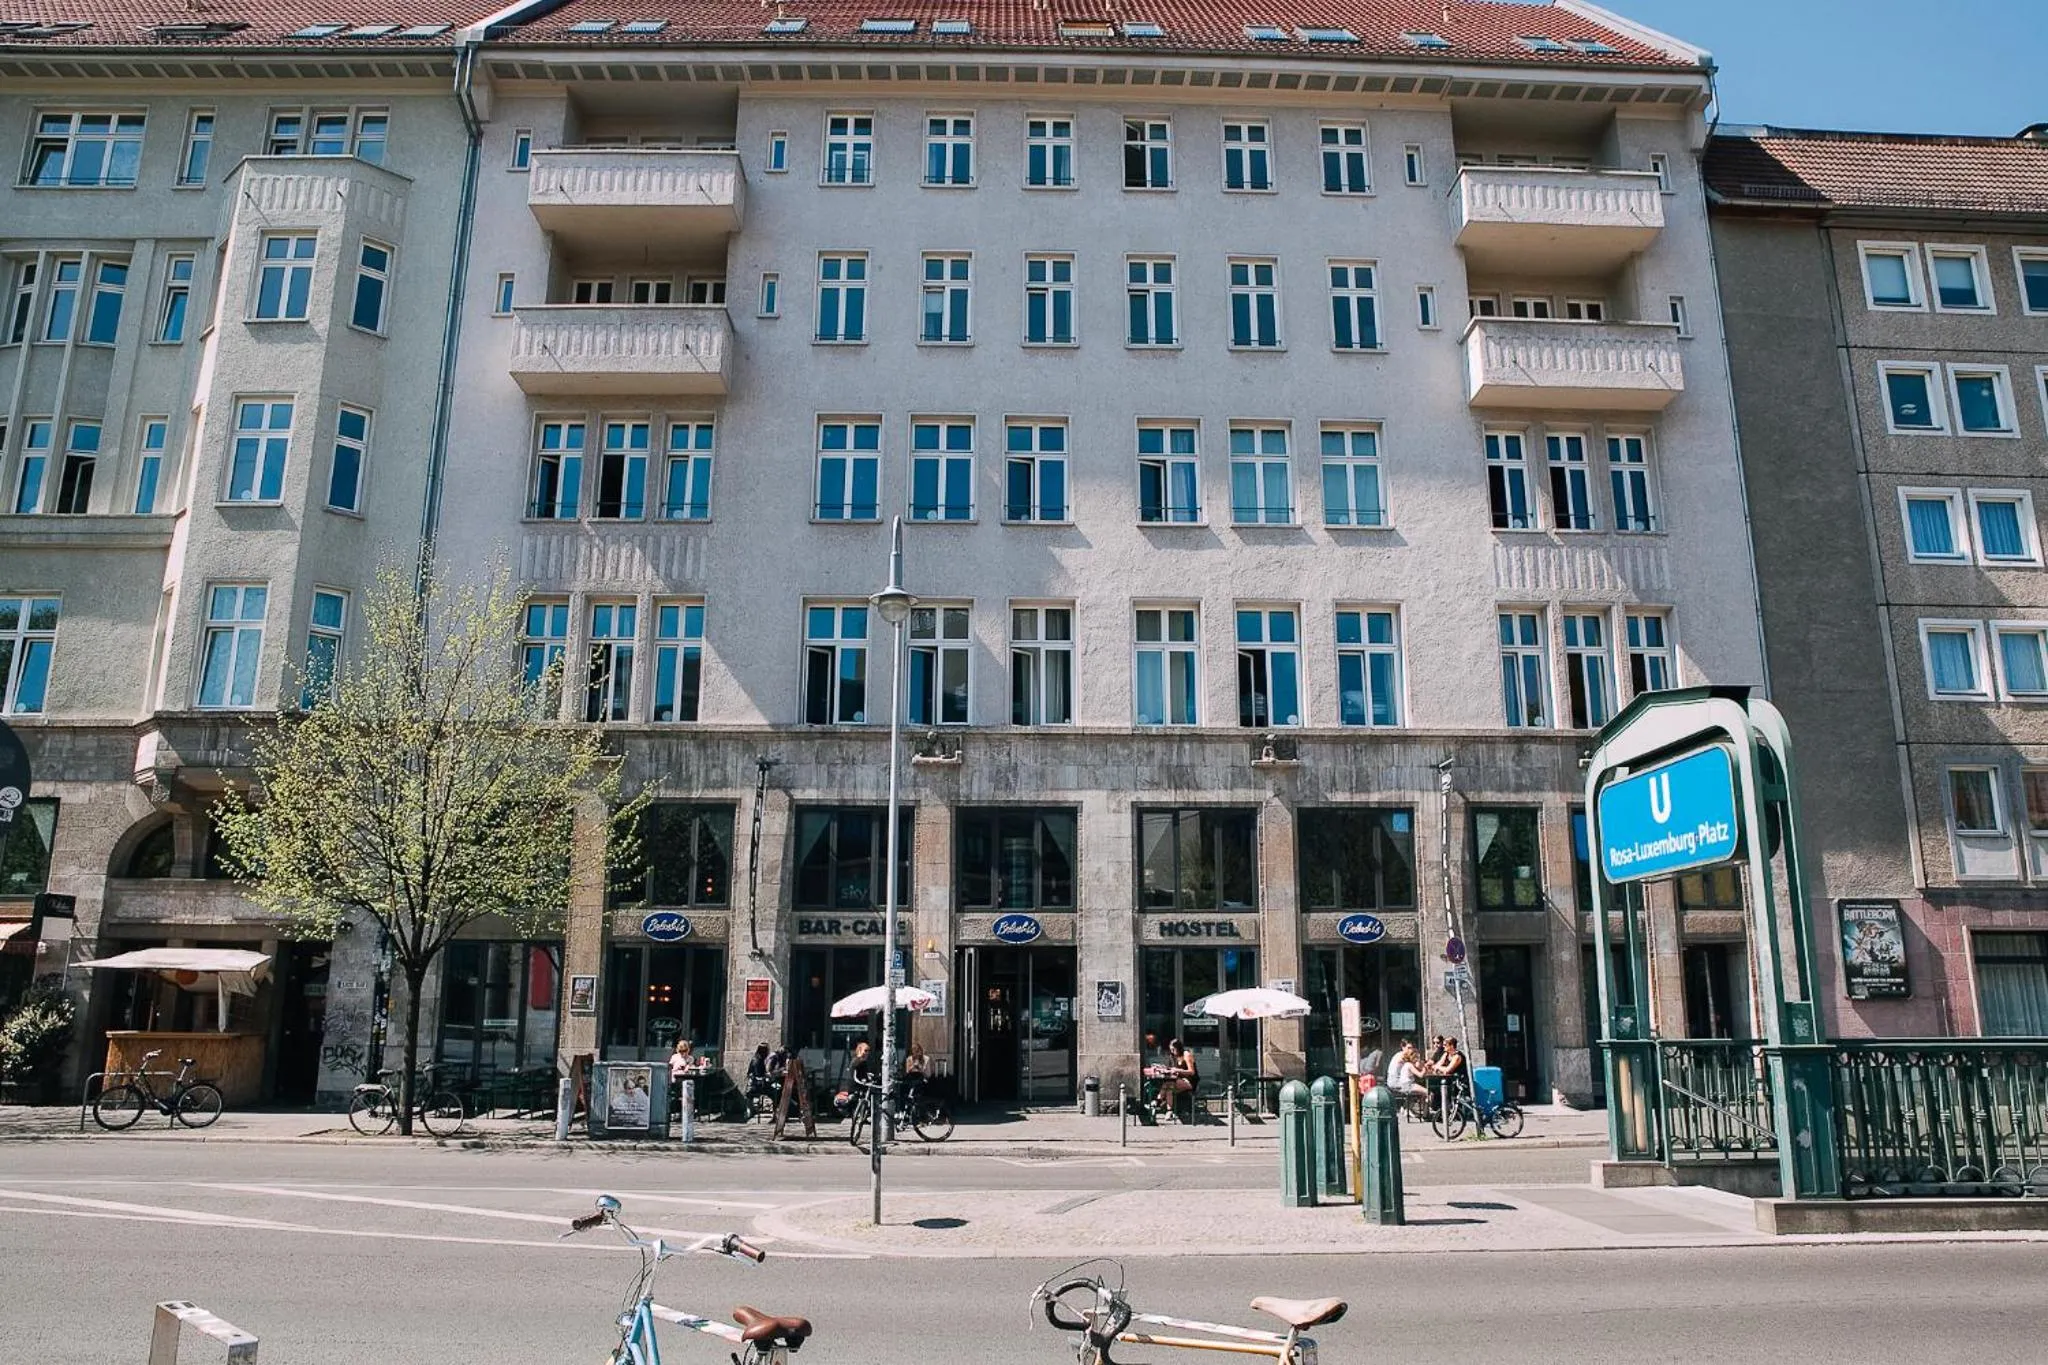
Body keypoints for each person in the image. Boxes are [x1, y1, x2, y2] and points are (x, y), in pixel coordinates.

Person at [1385, 1040, 1428, 1107]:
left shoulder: (1399, 1054)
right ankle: (1413, 1109)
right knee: (1423, 1090)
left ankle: (1407, 1107)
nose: (1411, 1050)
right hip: (1396, 1082)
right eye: (1408, 1048)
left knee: (1415, 1083)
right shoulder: (1402, 1056)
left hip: (1394, 1081)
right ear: (1403, 1047)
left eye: (1411, 1048)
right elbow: (1416, 1065)